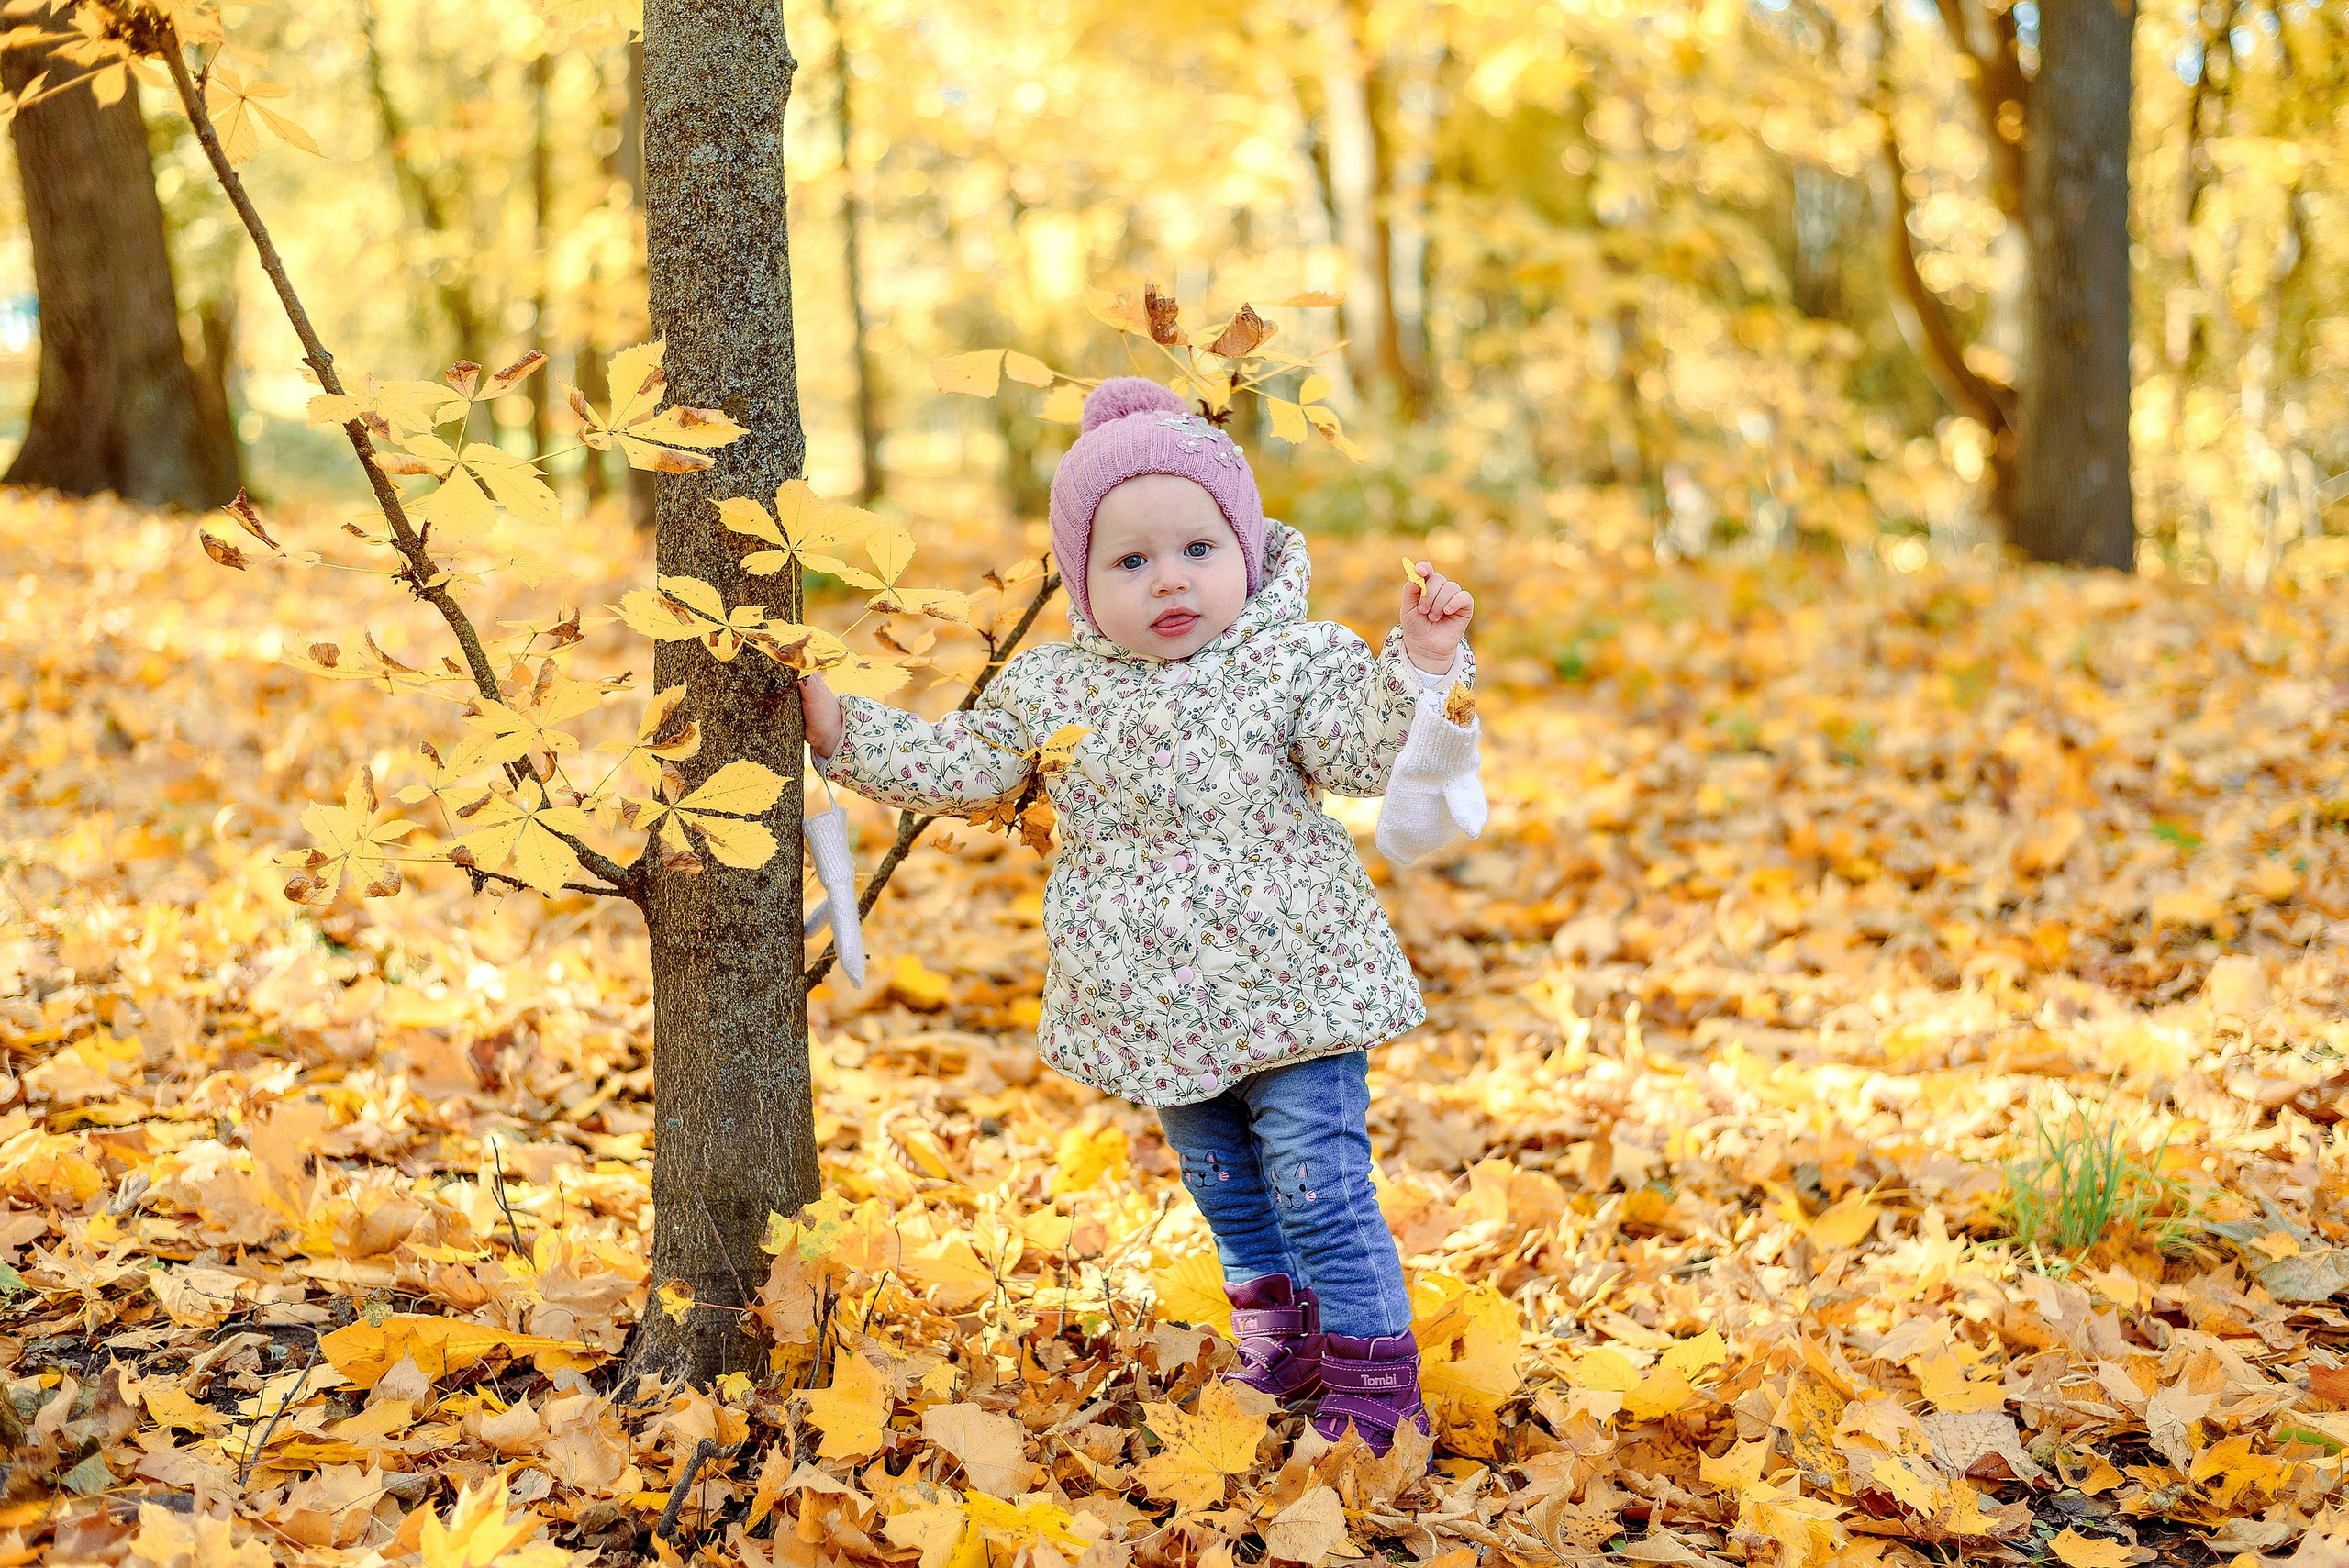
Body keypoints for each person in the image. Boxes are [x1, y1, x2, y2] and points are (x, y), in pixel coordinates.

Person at [799, 376, 1484, 1455]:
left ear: (1245, 549)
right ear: (1082, 580)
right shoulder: (1056, 687)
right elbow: (971, 768)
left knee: (1319, 1185)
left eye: (1198, 550)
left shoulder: (1292, 658)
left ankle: (1373, 1383)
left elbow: (1360, 755)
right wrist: (840, 728)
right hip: (1152, 998)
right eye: (1129, 561)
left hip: (1294, 976)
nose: (1169, 579)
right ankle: (1283, 1342)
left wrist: (1424, 661)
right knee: (1226, 1187)